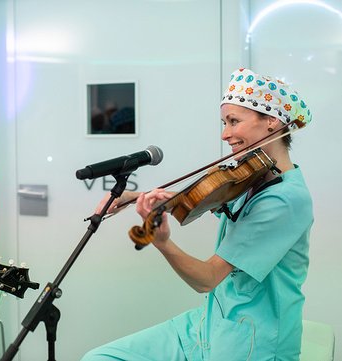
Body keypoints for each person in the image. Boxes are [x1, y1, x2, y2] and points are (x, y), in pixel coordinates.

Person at [81, 68, 313, 361]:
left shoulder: (284, 199)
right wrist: (130, 196)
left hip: (251, 340)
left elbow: (207, 278)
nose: (225, 134)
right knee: (100, 358)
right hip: (210, 322)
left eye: (234, 121)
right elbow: (203, 199)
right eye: (224, 122)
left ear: (271, 122)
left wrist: (162, 241)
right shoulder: (255, 176)